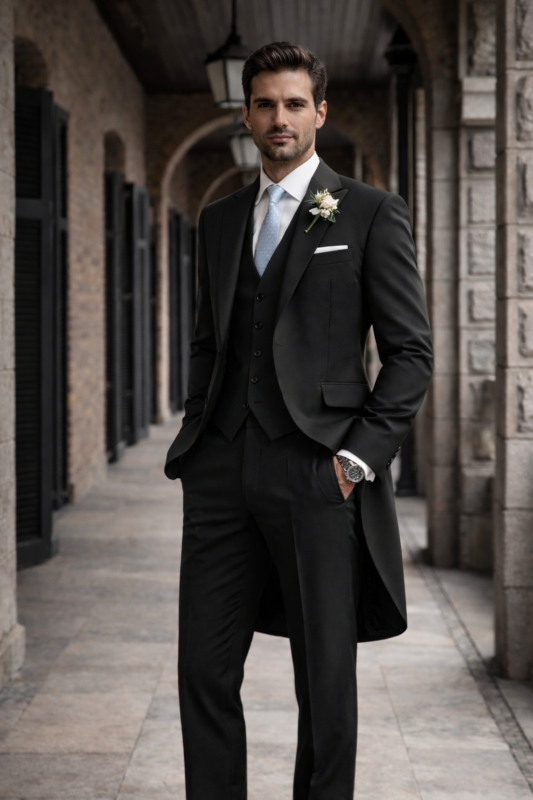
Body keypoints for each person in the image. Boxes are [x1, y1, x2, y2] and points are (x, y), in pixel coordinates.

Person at [165, 41, 433, 800]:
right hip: (218, 472)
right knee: (203, 670)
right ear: (245, 112)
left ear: (319, 111)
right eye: (263, 104)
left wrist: (353, 463)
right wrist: (195, 438)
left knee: (324, 678)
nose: (277, 118)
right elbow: (209, 341)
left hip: (316, 473)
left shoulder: (371, 213)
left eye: (292, 104)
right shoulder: (217, 221)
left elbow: (410, 354)